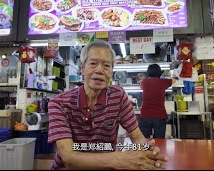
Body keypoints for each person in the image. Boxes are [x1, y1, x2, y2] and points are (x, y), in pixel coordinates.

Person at [48, 39, 168, 170]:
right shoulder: (58, 103)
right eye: (93, 63)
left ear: (112, 71)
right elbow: (69, 158)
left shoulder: (118, 96)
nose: (100, 70)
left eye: (106, 65)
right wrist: (120, 159)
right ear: (82, 68)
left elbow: (137, 138)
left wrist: (149, 154)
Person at [139, 64, 176, 139]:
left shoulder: (144, 82)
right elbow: (174, 80)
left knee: (144, 140)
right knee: (159, 141)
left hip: (145, 115)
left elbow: (141, 86)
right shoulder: (163, 82)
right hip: (160, 115)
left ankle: (145, 151)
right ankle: (158, 150)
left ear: (148, 72)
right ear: (159, 72)